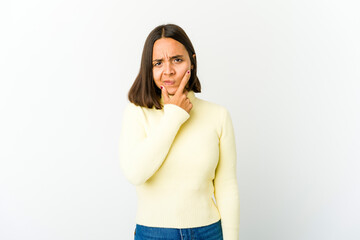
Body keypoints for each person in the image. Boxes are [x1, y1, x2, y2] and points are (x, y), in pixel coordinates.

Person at [119, 23, 240, 240]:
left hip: (209, 232)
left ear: (191, 62)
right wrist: (173, 115)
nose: (168, 71)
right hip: (153, 234)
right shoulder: (137, 113)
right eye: (158, 63)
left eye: (177, 59)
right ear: (149, 68)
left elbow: (226, 187)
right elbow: (135, 173)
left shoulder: (218, 115)